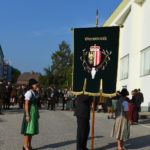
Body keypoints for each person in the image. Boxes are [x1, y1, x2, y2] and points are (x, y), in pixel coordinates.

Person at [21, 79, 40, 150]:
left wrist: (37, 113)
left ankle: (29, 145)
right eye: (35, 84)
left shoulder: (35, 92)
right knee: (27, 130)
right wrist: (27, 115)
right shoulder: (29, 92)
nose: (36, 85)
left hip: (34, 112)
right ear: (32, 85)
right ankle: (25, 146)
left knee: (31, 130)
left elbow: (36, 104)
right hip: (29, 111)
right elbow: (26, 104)